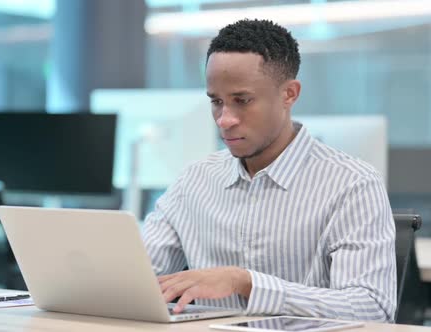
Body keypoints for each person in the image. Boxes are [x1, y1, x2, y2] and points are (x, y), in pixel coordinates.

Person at [142, 19, 396, 322]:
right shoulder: (194, 180)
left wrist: (246, 282)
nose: (224, 119)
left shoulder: (352, 184)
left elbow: (372, 308)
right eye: (216, 102)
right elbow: (138, 277)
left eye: (242, 101)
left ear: (289, 94)